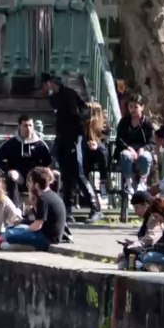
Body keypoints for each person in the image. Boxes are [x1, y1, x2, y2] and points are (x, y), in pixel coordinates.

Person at [43, 73, 101, 223]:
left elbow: (77, 116)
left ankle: (95, 208)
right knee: (66, 175)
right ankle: (67, 209)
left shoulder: (68, 95)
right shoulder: (56, 97)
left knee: (78, 173)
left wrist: (82, 137)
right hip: (62, 138)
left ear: (51, 83)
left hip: (74, 138)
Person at [2, 166, 66, 251]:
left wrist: (23, 232)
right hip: (49, 234)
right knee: (12, 229)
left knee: (9, 235)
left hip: (47, 238)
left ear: (36, 185)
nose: (28, 184)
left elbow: (37, 226)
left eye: (30, 182)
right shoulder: (52, 195)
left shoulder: (43, 199)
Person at [0, 114, 53, 200]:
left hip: (35, 178)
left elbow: (48, 161)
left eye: (30, 125)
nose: (28, 128)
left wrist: (41, 171)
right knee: (11, 178)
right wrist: (8, 170)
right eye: (25, 125)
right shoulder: (11, 144)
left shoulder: (40, 144)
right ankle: (14, 209)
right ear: (19, 126)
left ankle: (50, 207)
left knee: (52, 176)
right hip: (18, 176)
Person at [114, 94, 155, 196]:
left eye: (136, 107)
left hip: (143, 151)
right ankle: (128, 183)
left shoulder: (147, 123)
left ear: (142, 107)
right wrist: (129, 148)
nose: (133, 110)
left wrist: (143, 149)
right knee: (125, 155)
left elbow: (152, 142)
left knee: (146, 157)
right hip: (128, 149)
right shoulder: (124, 122)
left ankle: (142, 182)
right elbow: (119, 140)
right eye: (130, 107)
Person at [82, 101, 110, 201]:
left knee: (101, 150)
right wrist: (89, 143)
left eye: (91, 111)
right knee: (83, 153)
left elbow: (106, 137)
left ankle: (103, 183)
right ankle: (84, 184)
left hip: (99, 151)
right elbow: (82, 136)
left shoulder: (104, 123)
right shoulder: (84, 122)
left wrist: (96, 143)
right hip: (87, 150)